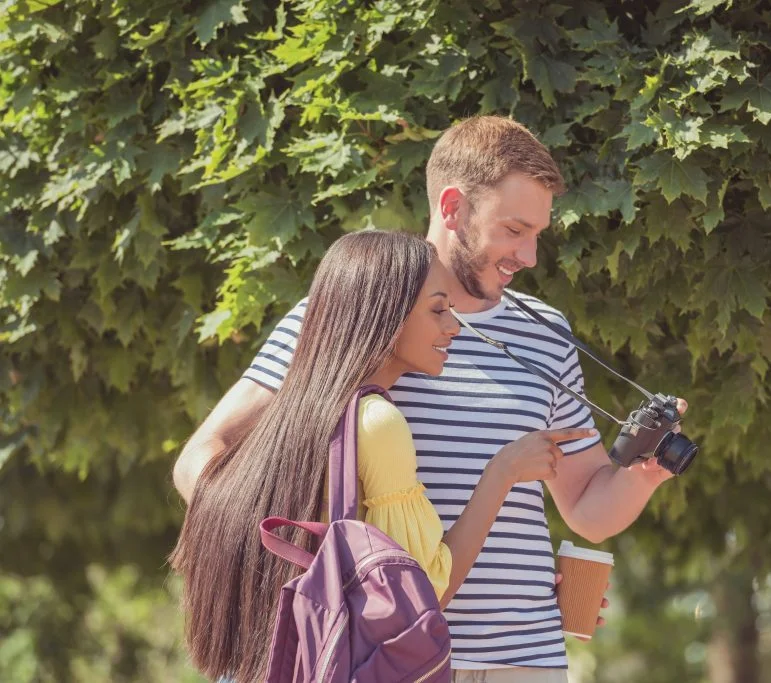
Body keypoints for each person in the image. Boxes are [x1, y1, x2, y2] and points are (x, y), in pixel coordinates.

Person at [173, 116, 687, 682]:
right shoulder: (347, 314)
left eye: (538, 233)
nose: (530, 254)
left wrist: (643, 473)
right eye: (514, 229)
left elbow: (588, 510)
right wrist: (314, 562)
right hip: (386, 656)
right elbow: (204, 456)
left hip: (523, 658)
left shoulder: (546, 331)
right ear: (452, 208)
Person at [170, 231, 596, 682]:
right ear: (385, 317)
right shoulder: (377, 422)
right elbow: (429, 592)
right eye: (437, 310)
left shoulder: (296, 413)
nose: (452, 326)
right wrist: (502, 472)